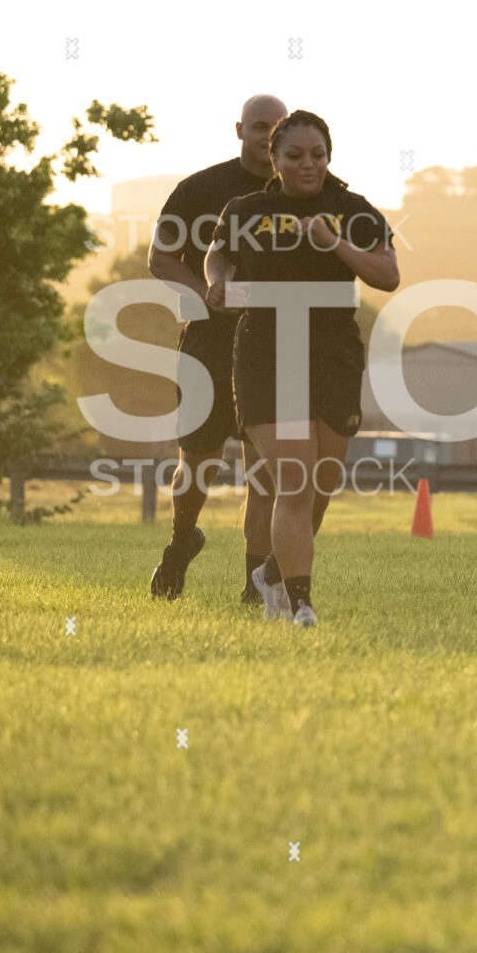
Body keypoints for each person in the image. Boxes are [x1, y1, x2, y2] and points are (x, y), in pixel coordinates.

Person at [205, 110, 399, 627]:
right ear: (275, 159)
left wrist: (335, 242)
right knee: (294, 480)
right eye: (294, 156)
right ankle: (301, 604)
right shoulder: (246, 209)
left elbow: (388, 276)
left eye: (317, 154)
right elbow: (218, 258)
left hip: (333, 354)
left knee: (321, 483)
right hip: (267, 352)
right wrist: (219, 281)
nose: (307, 164)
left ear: (329, 156)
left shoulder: (352, 210)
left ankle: (271, 572)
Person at [148, 93, 287, 605]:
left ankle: (253, 590)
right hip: (208, 341)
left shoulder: (298, 194)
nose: (268, 136)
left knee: (265, 470)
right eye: (258, 127)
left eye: (278, 127)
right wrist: (208, 294)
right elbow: (160, 259)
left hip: (274, 345)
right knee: (198, 464)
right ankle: (181, 543)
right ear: (238, 130)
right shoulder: (200, 188)